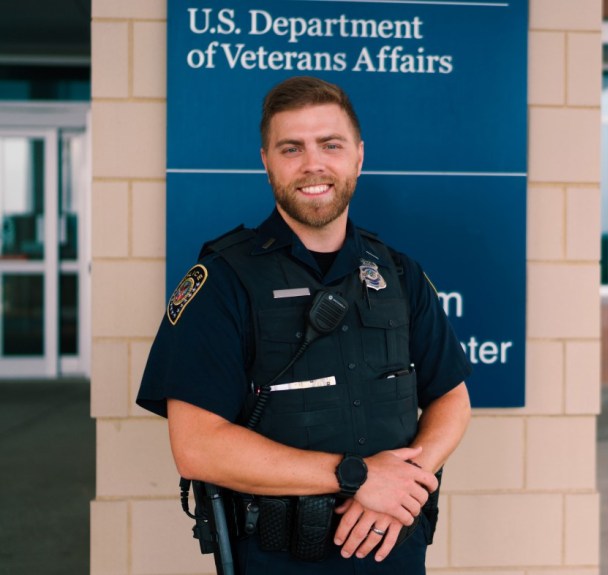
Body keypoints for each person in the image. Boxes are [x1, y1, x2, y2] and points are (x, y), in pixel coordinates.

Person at [136, 76, 473, 574]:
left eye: (330, 145)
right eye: (291, 148)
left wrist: (404, 479)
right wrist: (357, 477)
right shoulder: (222, 282)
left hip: (396, 558)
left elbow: (452, 397)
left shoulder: (399, 274)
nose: (313, 164)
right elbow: (196, 447)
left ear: (358, 156)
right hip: (280, 560)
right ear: (266, 161)